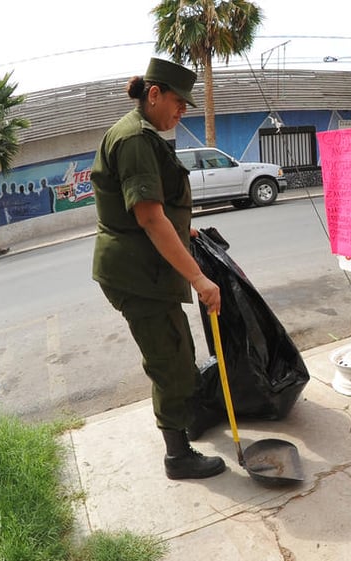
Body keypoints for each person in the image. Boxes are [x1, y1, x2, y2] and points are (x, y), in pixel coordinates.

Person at [91, 58, 226, 480]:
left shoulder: (142, 134)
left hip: (146, 270)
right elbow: (149, 217)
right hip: (138, 275)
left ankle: (182, 423)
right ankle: (177, 456)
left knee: (177, 352)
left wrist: (187, 233)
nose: (181, 112)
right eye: (178, 103)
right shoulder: (134, 139)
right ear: (154, 95)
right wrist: (200, 279)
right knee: (172, 362)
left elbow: (161, 210)